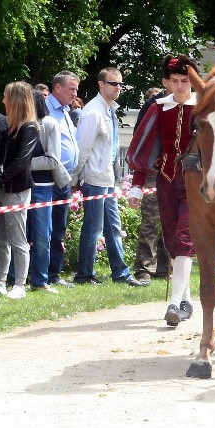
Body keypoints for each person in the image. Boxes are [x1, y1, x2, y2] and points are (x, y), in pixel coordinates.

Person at [127, 54, 200, 326]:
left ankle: (173, 303)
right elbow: (143, 146)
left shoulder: (203, 106)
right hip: (167, 180)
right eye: (175, 81)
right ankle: (186, 301)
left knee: (183, 238)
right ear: (165, 82)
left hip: (196, 181)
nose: (181, 86)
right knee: (171, 240)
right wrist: (136, 184)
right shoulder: (158, 107)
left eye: (185, 80)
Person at [72, 67, 147, 286]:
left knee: (113, 226)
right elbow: (82, 149)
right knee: (93, 228)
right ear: (101, 84)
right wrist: (75, 179)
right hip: (94, 178)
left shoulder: (109, 110)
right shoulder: (93, 112)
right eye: (113, 83)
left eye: (120, 84)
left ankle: (120, 273)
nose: (118, 88)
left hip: (106, 178)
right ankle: (84, 274)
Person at [0, 82, 39, 299]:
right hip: (3, 188)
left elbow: (22, 161)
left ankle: (20, 285)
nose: (3, 101)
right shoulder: (8, 125)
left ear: (15, 100)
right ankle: (0, 281)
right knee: (0, 238)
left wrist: (0, 179)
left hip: (16, 189)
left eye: (6, 97)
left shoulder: (29, 127)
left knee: (18, 238)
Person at [27, 90, 72, 293]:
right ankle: (15, 278)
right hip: (19, 188)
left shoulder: (48, 124)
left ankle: (41, 279)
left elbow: (53, 160)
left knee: (43, 236)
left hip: (43, 188)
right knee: (18, 237)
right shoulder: (16, 123)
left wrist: (23, 164)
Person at [45, 70, 80, 288]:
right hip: (48, 179)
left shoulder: (66, 111)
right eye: (71, 89)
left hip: (64, 180)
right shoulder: (45, 109)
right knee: (43, 230)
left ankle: (54, 274)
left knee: (58, 228)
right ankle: (40, 274)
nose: (75, 93)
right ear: (58, 88)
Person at [132, 84, 170, 282]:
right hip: (154, 171)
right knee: (151, 221)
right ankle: (145, 269)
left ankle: (165, 268)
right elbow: (139, 140)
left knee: (170, 221)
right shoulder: (153, 105)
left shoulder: (189, 105)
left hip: (176, 172)